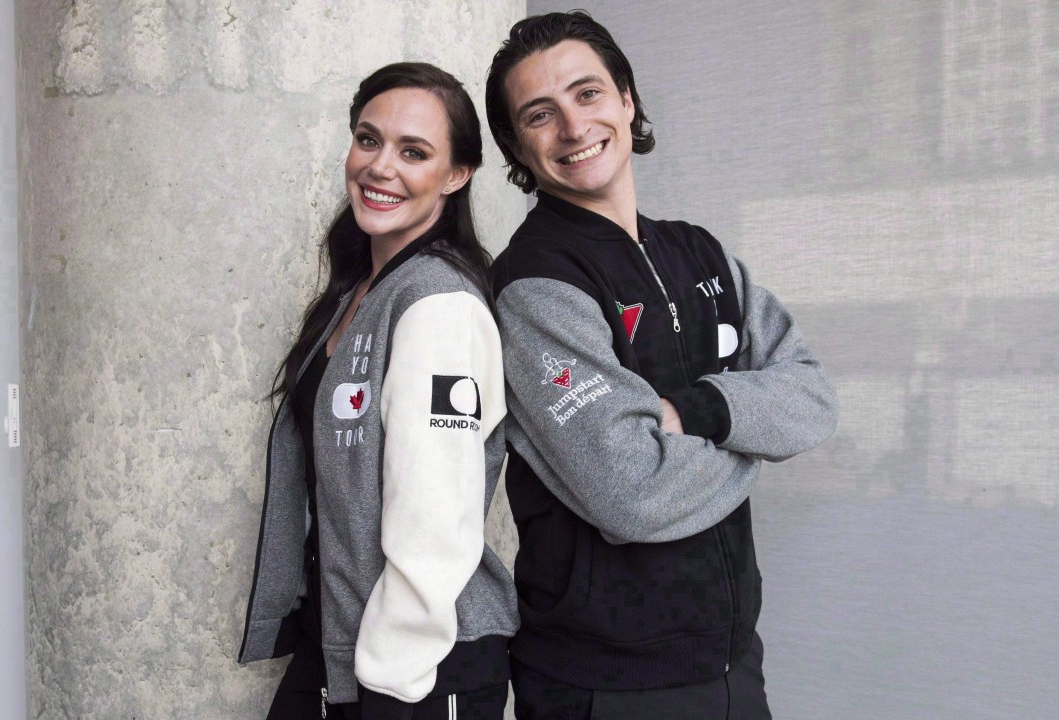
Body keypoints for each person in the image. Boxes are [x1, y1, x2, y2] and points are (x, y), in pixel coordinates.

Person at [483, 11, 839, 719]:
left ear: (627, 99)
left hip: (735, 659)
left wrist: (703, 411)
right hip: (605, 684)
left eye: (588, 95)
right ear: (517, 146)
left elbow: (815, 399)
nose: (574, 128)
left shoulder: (699, 253)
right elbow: (632, 491)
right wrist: (755, 438)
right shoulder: (537, 286)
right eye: (539, 114)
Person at [238, 62, 517, 720]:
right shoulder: (362, 291)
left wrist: (389, 681)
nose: (379, 166)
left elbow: (436, 522)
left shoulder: (438, 307)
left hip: (419, 667)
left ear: (456, 175)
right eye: (369, 140)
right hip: (345, 642)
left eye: (413, 152)